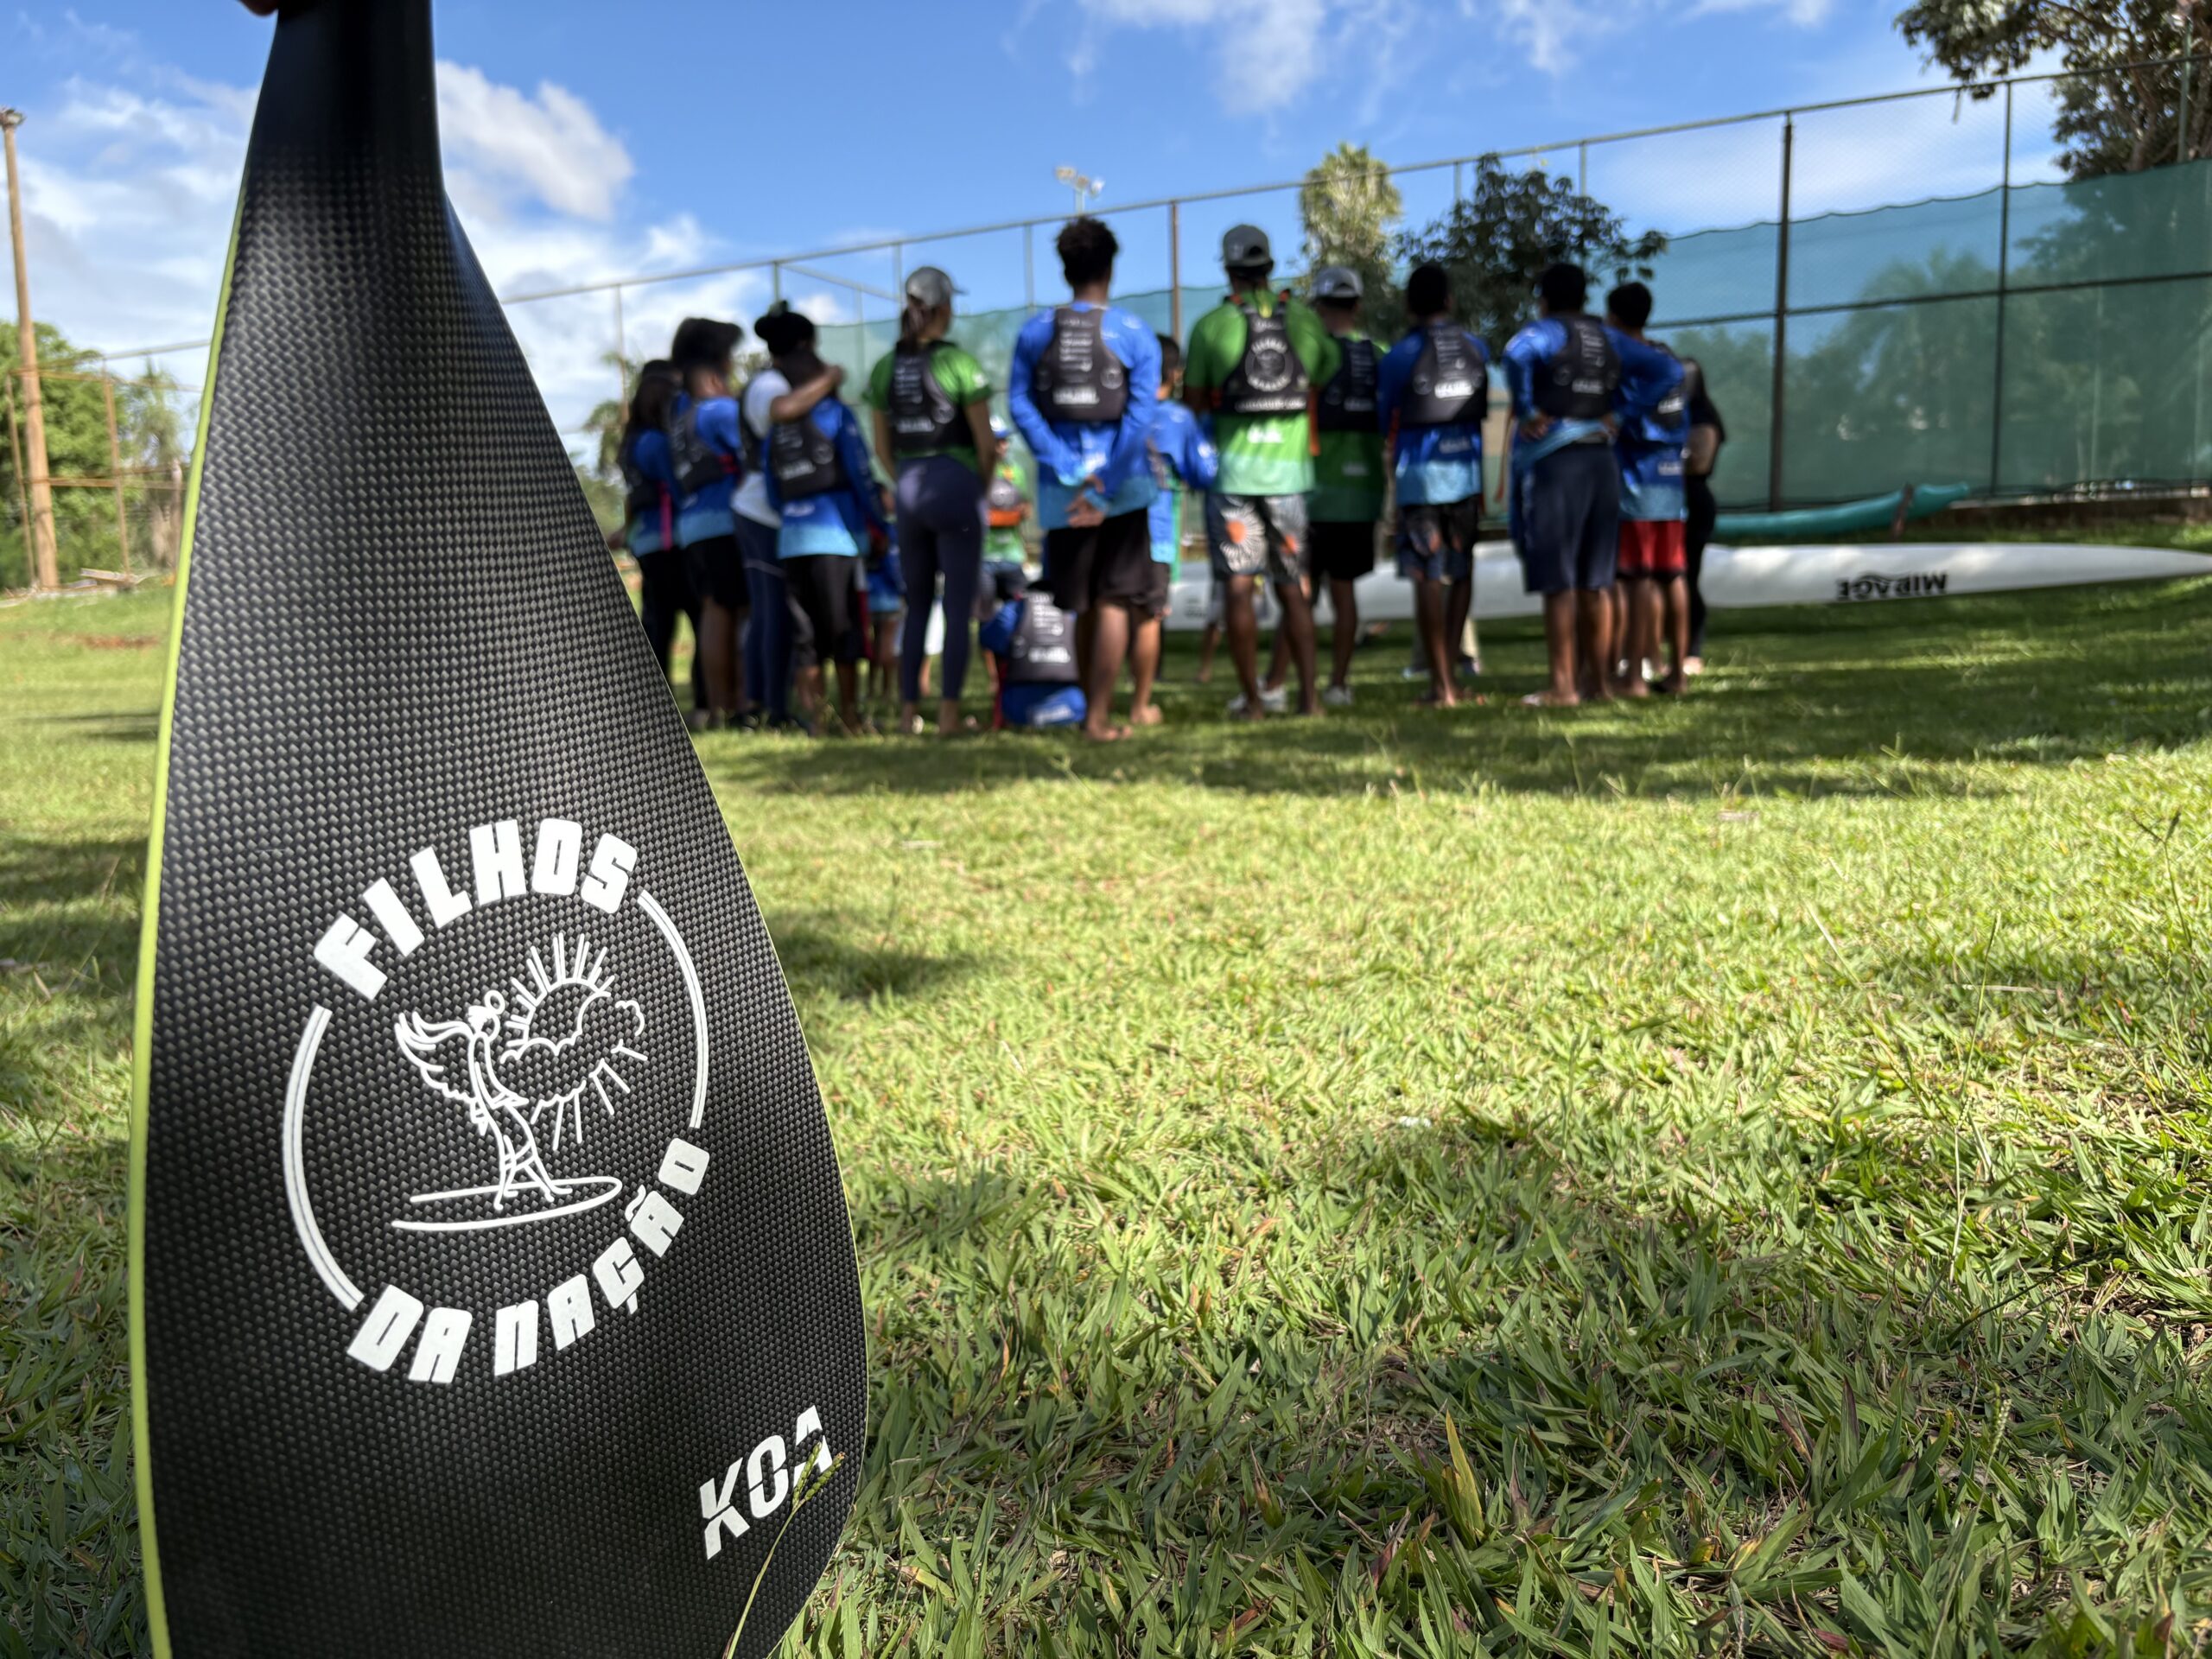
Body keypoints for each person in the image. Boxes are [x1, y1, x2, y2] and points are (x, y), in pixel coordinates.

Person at [1007, 216, 1161, 742]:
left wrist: (1063, 465)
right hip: (1124, 488)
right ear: (1111, 267)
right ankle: (1097, 716)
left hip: (1061, 493)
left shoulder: (1035, 331)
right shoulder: (1135, 333)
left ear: (1065, 268)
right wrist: (1107, 483)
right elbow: (1140, 418)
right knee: (1117, 598)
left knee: (1083, 601)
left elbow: (1019, 404)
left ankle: (1088, 716)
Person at [1182, 224, 1337, 720]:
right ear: (1269, 268)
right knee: (1295, 587)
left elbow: (1193, 402)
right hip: (1289, 480)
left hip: (1232, 482)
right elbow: (1325, 372)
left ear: (1228, 271)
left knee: (1239, 588)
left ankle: (1253, 700)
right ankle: (1310, 701)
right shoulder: (1306, 322)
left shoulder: (1210, 327)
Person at [866, 267, 995, 737]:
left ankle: (907, 715)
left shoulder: (884, 366)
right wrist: (976, 486)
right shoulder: (958, 363)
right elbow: (985, 443)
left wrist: (906, 481)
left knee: (916, 606)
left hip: (910, 490)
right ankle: (948, 717)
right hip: (955, 485)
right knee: (958, 607)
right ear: (944, 309)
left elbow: (882, 447)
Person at [760, 308, 889, 735]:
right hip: (837, 539)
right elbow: (860, 476)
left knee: (807, 636)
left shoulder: (776, 427)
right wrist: (880, 529)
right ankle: (850, 718)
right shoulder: (835, 414)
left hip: (791, 540)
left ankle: (817, 721)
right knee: (846, 630)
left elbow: (772, 487)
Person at [1377, 262, 1490, 709]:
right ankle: (1451, 678)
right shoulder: (1475, 347)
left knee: (1426, 576)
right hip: (1465, 475)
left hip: (1420, 481)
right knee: (1461, 572)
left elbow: (1383, 420)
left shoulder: (1399, 356)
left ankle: (1441, 686)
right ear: (1449, 301)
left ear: (1408, 306)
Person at [736, 304, 846, 730]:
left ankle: (767, 705)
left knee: (774, 612)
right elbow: (783, 410)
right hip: (759, 509)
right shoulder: (769, 383)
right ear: (803, 344)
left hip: (771, 511)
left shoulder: (771, 379)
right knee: (771, 613)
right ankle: (767, 708)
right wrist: (830, 380)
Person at [1603, 282, 1691, 696]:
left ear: (1615, 318)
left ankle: (1633, 677)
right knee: (1672, 575)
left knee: (1634, 578)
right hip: (1671, 478)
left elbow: (1625, 416)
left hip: (1637, 476)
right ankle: (1676, 672)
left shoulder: (1626, 362)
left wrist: (1618, 415)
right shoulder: (1665, 357)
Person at [607, 359, 708, 721]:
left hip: (647, 546)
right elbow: (679, 488)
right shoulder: (657, 443)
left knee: (657, 625)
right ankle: (703, 704)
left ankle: (653, 713)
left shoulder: (630, 445)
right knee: (700, 619)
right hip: (673, 544)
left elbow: (635, 499)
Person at [1304, 266, 1385, 709]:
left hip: (1312, 492)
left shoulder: (1308, 354)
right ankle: (1338, 684)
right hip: (1363, 493)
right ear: (1357, 305)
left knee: (1301, 593)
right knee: (1344, 591)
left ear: (1318, 307)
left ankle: (1285, 684)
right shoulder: (1381, 354)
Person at [667, 317, 754, 727]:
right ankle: (736, 704)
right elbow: (751, 459)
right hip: (724, 524)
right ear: (719, 358)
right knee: (731, 610)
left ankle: (721, 705)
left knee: (712, 610)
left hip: (693, 526)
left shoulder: (681, 418)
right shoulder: (721, 411)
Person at [1137, 334, 1218, 727]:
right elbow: (1203, 473)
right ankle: (1142, 698)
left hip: (1115, 528)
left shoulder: (1121, 411)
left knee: (1114, 608)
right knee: (1152, 613)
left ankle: (1099, 696)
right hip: (1158, 530)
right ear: (1176, 372)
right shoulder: (1177, 418)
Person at [978, 566, 1087, 729]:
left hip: (1019, 712)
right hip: (1075, 708)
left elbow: (987, 638)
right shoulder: (1074, 612)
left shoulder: (1014, 609)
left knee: (1004, 649)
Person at [1681, 357, 1726, 676]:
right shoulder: (1671, 414)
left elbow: (1699, 462)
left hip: (1693, 502)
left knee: (1687, 578)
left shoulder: (1704, 417)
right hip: (1668, 500)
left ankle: (1692, 652)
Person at [983, 415, 1031, 589]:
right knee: (983, 611)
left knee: (1020, 609)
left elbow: (1026, 509)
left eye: (1005, 440)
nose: (1004, 446)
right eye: (998, 441)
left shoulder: (1015, 472)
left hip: (1012, 556)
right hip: (983, 557)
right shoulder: (972, 472)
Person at [867, 520, 906, 704]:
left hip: (870, 595)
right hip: (889, 598)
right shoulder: (890, 530)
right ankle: (887, 691)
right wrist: (903, 589)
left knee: (875, 644)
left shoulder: (869, 526)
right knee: (887, 645)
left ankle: (871, 689)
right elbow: (894, 566)